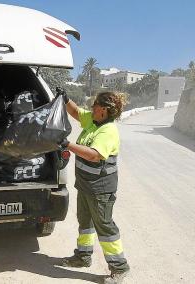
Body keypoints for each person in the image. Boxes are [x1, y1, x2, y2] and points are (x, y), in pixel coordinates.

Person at [56, 88, 130, 284]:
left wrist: (67, 145)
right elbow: (75, 112)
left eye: (94, 106)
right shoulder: (93, 121)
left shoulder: (108, 131)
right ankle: (83, 257)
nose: (91, 108)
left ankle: (119, 267)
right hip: (86, 185)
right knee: (85, 223)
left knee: (104, 226)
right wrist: (65, 98)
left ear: (104, 110)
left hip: (101, 188)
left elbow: (93, 154)